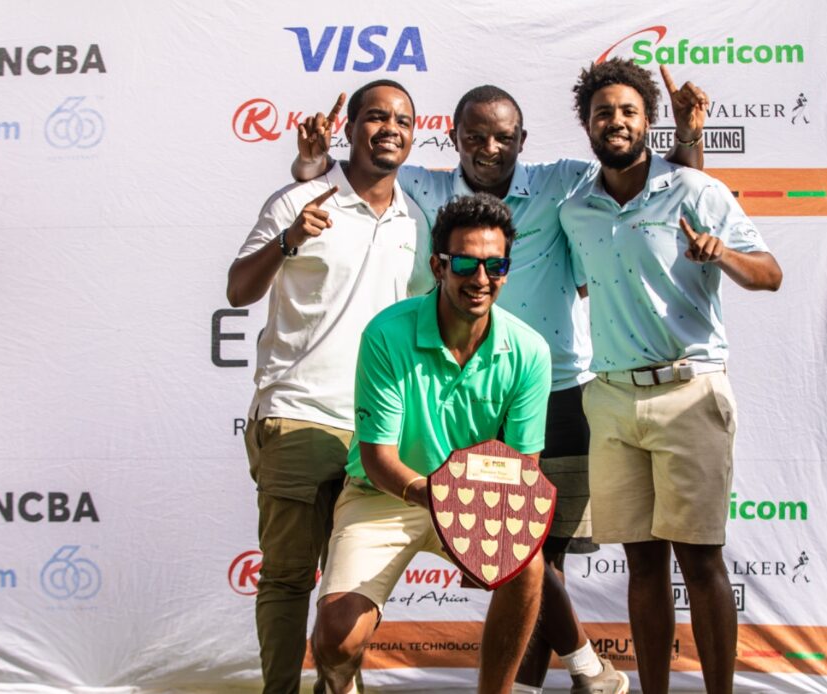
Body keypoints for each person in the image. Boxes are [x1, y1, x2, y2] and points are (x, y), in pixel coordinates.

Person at [292, 67, 708, 694]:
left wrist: (686, 136)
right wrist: (311, 167)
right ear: (452, 138)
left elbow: (648, 180)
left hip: (558, 387)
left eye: (504, 138)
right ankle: (586, 669)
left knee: (542, 556)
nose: (490, 150)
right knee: (532, 559)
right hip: (423, 429)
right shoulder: (422, 188)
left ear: (522, 139)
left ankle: (543, 681)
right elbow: (356, 180)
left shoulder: (562, 182)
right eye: (476, 138)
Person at [558, 59, 782, 694]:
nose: (617, 121)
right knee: (642, 564)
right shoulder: (576, 209)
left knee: (702, 561)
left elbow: (770, 273)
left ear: (647, 120)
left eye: (628, 111)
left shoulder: (697, 191)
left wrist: (723, 253)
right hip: (611, 400)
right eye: (604, 113)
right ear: (587, 124)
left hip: (689, 392)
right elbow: (578, 279)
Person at [226, 79, 433, 694]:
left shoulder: (416, 221)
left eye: (401, 118)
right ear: (351, 127)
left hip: (376, 433)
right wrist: (290, 240)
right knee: (290, 578)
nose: (389, 127)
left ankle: (339, 686)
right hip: (298, 416)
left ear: (414, 133)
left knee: (350, 586)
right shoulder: (300, 199)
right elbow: (239, 290)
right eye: (375, 116)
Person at [310, 194, 549, 694]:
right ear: (438, 265)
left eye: (494, 264)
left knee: (528, 567)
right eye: (464, 263)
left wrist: (483, 519)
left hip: (469, 497)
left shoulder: (530, 350)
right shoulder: (387, 334)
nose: (480, 278)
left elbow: (523, 467)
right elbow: (379, 460)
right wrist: (443, 498)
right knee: (336, 639)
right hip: (386, 496)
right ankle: (338, 684)